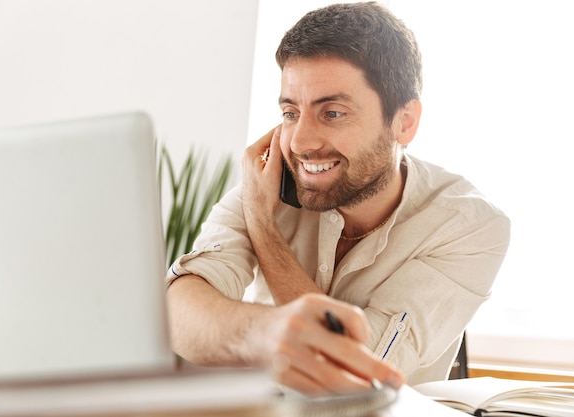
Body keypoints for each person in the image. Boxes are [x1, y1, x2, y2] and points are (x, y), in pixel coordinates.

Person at [165, 1, 510, 395]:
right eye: (292, 112)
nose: (300, 143)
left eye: (332, 113)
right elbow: (176, 314)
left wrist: (262, 226)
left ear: (405, 121)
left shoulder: (469, 225)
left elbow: (360, 374)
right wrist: (264, 332)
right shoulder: (269, 182)